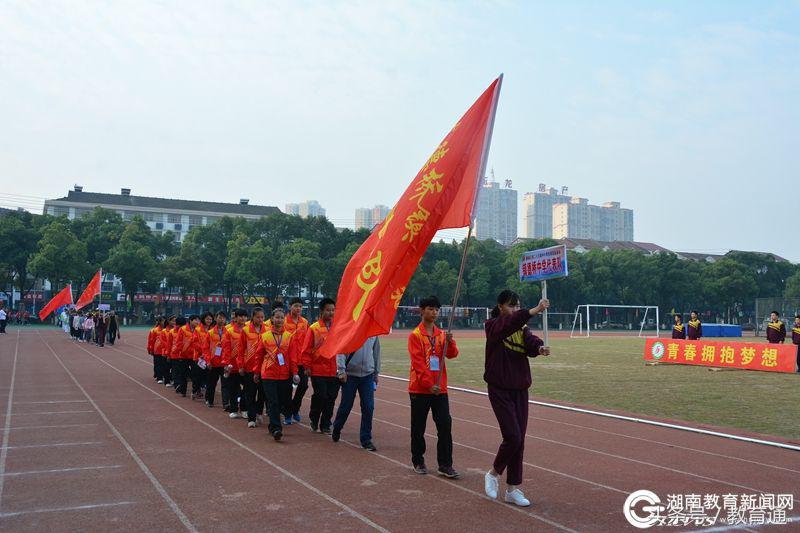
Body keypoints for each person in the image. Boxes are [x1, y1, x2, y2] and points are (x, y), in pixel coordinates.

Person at [482, 291, 550, 507]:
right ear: (500, 306)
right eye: (511, 306)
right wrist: (532, 311)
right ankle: (493, 474)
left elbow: (529, 340)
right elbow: (510, 323)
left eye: (517, 305)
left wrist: (539, 348)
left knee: (519, 439)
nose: (514, 309)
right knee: (512, 436)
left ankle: (513, 489)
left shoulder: (521, 327)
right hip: (499, 389)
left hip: (520, 389)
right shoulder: (492, 326)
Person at [407, 296, 460, 479]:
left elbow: (452, 354)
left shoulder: (441, 334)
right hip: (420, 389)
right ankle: (418, 460)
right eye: (430, 309)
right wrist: (429, 385)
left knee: (445, 425)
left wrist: (450, 342)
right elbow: (419, 364)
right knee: (418, 426)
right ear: (422, 310)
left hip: (440, 389)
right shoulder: (415, 335)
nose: (434, 312)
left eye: (437, 309)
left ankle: (445, 464)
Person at [256, 305, 301, 440]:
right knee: (273, 401)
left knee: (282, 401)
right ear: (272, 319)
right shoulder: (265, 336)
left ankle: (273, 426)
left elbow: (293, 357)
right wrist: (256, 373)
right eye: (277, 317)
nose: (280, 320)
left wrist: (295, 373)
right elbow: (258, 356)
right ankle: (276, 428)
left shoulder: (289, 337)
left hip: (284, 375)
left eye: (282, 317)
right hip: (268, 374)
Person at [331, 336, 380, 451]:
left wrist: (376, 372)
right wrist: (341, 370)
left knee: (368, 407)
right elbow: (341, 351)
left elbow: (376, 352)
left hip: (367, 375)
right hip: (350, 375)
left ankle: (366, 439)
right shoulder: (351, 330)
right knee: (346, 405)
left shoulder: (373, 333)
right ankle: (337, 427)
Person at [301, 298, 338, 434]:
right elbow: (306, 350)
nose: (331, 313)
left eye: (333, 310)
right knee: (320, 396)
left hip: (333, 370)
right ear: (321, 311)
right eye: (328, 310)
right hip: (318, 370)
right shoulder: (314, 328)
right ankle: (314, 417)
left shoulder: (337, 328)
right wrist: (307, 367)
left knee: (331, 398)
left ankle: (326, 424)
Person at [239, 307, 267, 428]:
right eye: (257, 317)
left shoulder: (268, 330)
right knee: (250, 393)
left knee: (263, 392)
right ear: (253, 317)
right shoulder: (245, 330)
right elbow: (241, 350)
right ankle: (251, 418)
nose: (260, 319)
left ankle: (259, 411)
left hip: (264, 367)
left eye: (262, 317)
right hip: (249, 367)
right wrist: (240, 365)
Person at [286, 297, 310, 422]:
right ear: (290, 306)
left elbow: (308, 341)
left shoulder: (305, 322)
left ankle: (295, 408)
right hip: (288, 361)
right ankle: (288, 413)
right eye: (296, 306)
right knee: (287, 388)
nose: (298, 308)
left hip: (301, 361)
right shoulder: (283, 321)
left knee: (303, 385)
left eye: (300, 306)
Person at [222, 309, 248, 418]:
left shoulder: (248, 331)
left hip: (246, 366)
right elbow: (226, 348)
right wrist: (226, 363)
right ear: (235, 318)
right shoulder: (230, 331)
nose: (242, 319)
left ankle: (244, 408)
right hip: (233, 365)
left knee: (246, 389)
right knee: (233, 388)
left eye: (244, 316)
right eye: (240, 316)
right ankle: (233, 409)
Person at [204, 311, 228, 408]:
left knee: (225, 384)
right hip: (213, 363)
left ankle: (225, 403)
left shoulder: (228, 332)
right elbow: (205, 348)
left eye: (223, 318)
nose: (221, 320)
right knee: (211, 383)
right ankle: (209, 400)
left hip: (224, 363)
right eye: (219, 317)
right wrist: (208, 361)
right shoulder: (210, 333)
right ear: (215, 318)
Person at [171, 315, 200, 397]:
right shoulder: (183, 329)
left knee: (195, 374)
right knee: (183, 374)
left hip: (194, 356)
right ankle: (183, 391)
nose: (197, 322)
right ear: (190, 321)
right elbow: (178, 342)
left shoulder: (198, 330)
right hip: (183, 355)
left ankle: (195, 391)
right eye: (196, 320)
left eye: (198, 321)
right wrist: (181, 350)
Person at [192, 312, 213, 400]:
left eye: (210, 319)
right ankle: (195, 391)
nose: (209, 321)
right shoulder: (197, 329)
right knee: (198, 376)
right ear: (203, 319)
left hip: (209, 357)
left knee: (208, 376)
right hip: (199, 357)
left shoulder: (212, 330)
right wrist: (203, 352)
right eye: (207, 319)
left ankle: (206, 392)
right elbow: (195, 343)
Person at [147, 317, 165, 381]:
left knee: (164, 365)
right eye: (163, 321)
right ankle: (158, 376)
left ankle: (162, 375)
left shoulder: (167, 330)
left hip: (165, 351)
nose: (164, 322)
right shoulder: (154, 330)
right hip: (157, 350)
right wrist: (150, 349)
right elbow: (151, 340)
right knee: (157, 364)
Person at [160, 316, 177, 387]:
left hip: (174, 352)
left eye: (175, 321)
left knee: (174, 368)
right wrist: (169, 348)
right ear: (169, 321)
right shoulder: (164, 331)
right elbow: (163, 342)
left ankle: (173, 380)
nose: (174, 322)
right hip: (166, 352)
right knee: (167, 367)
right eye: (172, 321)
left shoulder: (177, 330)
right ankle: (167, 381)